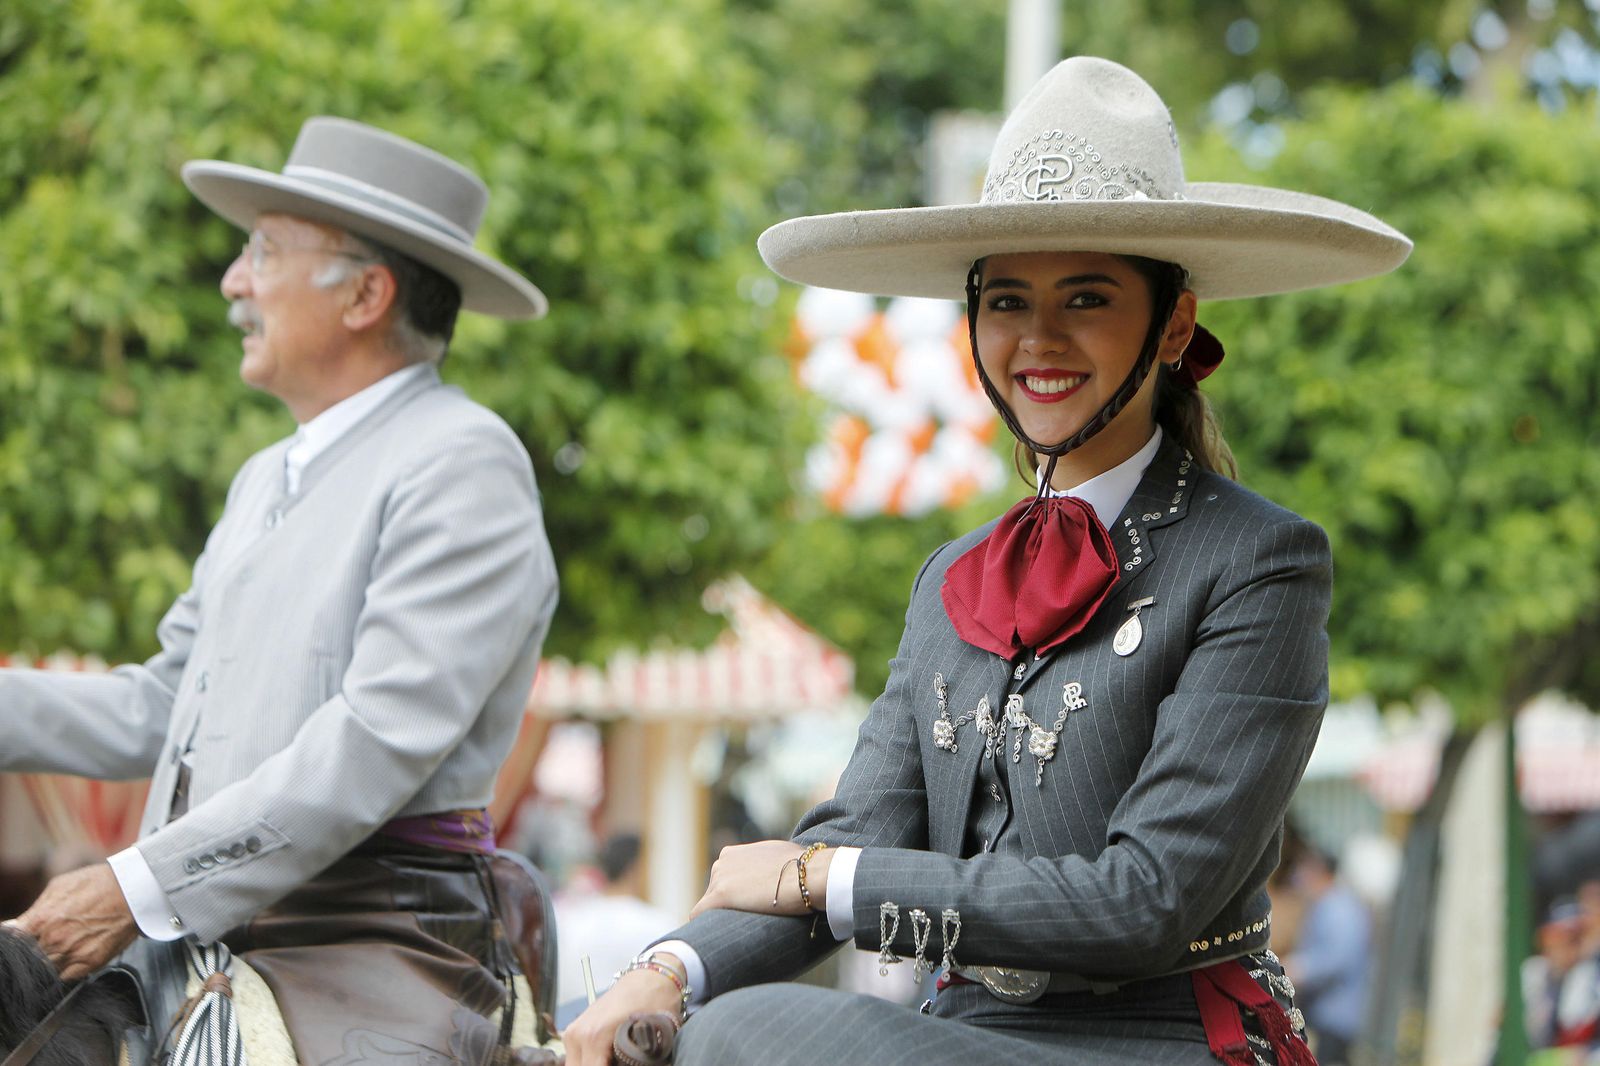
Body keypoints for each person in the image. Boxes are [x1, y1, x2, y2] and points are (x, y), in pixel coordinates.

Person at [563, 56, 1410, 1065]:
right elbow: (859, 821)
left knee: (749, 1036)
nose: (1038, 338)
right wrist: (660, 968)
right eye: (1006, 301)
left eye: (1086, 297)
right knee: (697, 1024)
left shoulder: (1260, 560)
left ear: (1174, 323)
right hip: (959, 1033)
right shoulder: (948, 579)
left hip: (1159, 1040)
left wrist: (828, 878)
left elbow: (1143, 898)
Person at [0, 117, 559, 1062]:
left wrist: (137, 888)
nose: (233, 281)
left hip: (370, 932)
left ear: (367, 294)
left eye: (262, 249)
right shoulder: (266, 475)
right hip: (188, 923)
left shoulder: (462, 460)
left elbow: (377, 735)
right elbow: (165, 705)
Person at [555, 833, 678, 1011]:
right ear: (635, 869)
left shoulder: (570, 921)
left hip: (571, 1025)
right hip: (631, 1032)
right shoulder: (657, 924)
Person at [1282, 848, 1371, 1064]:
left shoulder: (1339, 908)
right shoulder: (1327, 905)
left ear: (1321, 873)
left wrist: (1298, 968)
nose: (1299, 877)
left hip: (1335, 1017)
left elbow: (1337, 958)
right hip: (1326, 1015)